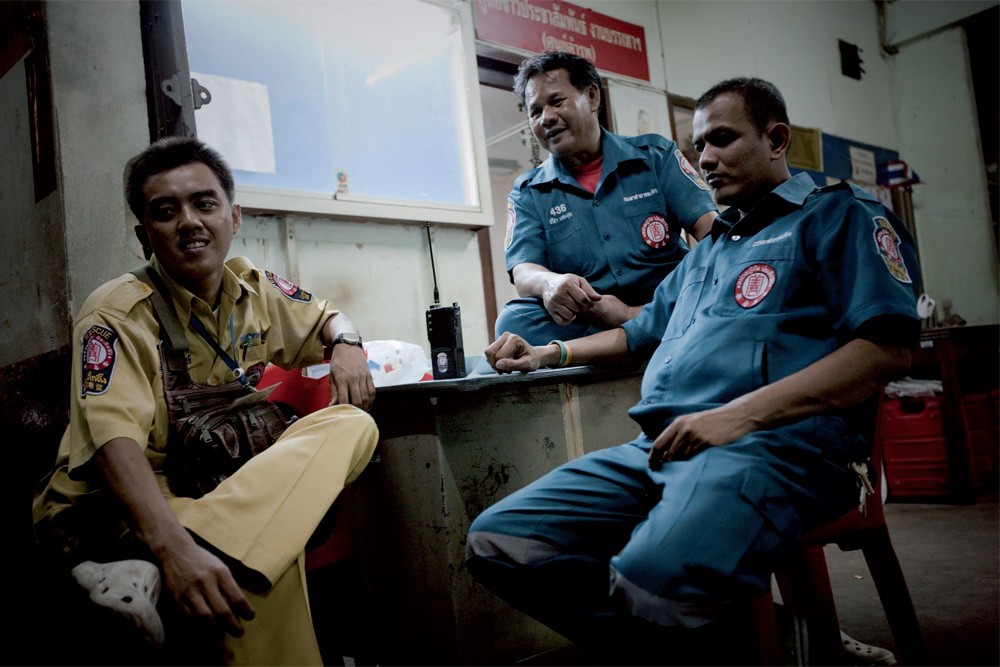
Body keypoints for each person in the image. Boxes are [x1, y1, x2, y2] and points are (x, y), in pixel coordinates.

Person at [467, 77, 920, 664]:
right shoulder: (709, 251)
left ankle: (738, 639)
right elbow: (637, 332)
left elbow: (886, 351)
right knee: (498, 542)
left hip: (774, 448)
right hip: (661, 448)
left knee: (650, 582)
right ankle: (786, 644)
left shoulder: (839, 217)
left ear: (776, 139)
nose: (705, 159)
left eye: (722, 139)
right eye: (698, 145)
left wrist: (735, 417)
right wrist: (546, 353)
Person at [31, 137, 379, 665]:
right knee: (268, 552)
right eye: (165, 212)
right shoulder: (117, 313)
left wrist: (348, 345)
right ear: (144, 236)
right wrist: (174, 551)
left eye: (204, 203)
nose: (189, 222)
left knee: (351, 424)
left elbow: (327, 315)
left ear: (233, 217)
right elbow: (112, 445)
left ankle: (172, 560)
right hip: (121, 505)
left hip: (216, 490)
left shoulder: (253, 288)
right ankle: (151, 556)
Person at [497, 51, 718, 345]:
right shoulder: (529, 191)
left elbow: (713, 234)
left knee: (713, 285)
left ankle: (625, 334)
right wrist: (550, 283)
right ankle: (643, 338)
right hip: (592, 314)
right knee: (514, 321)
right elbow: (523, 270)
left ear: (592, 97)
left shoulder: (655, 157)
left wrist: (628, 314)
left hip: (666, 302)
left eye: (557, 101)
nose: (547, 118)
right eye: (535, 112)